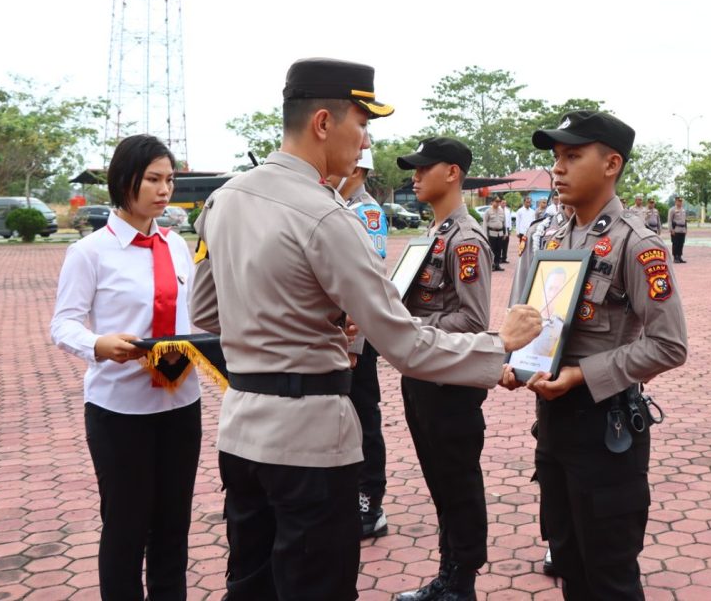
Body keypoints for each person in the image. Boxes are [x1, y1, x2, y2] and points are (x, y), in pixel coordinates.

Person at [190, 58, 541, 601]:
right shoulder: (329, 217)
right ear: (324, 123)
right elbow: (403, 343)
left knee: (251, 583)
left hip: (240, 431)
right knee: (316, 585)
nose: (365, 140)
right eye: (361, 122)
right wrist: (501, 345)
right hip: (308, 441)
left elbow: (206, 314)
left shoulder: (222, 200)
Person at [502, 110, 689, 600]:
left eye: (572, 155)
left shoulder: (636, 243)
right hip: (554, 423)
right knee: (568, 562)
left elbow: (669, 345)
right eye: (555, 157)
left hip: (608, 430)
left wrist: (581, 375)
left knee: (610, 576)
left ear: (611, 164)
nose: (558, 168)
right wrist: (513, 361)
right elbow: (524, 318)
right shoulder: (548, 237)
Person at [50, 134, 202, 601]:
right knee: (126, 528)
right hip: (120, 411)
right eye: (153, 179)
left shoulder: (177, 246)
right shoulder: (90, 252)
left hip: (180, 403)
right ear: (124, 181)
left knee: (174, 525)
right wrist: (99, 343)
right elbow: (64, 324)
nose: (163, 189)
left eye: (169, 179)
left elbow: (195, 315)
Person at [394, 136, 495, 601]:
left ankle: (463, 580)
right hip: (421, 378)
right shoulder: (432, 235)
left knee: (457, 481)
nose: (414, 176)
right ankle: (448, 573)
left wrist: (409, 326)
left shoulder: (466, 240)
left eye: (423, 168)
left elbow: (474, 321)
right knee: (439, 479)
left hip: (450, 383)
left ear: (452, 173)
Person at [326, 151, 390, 540]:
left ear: (359, 169)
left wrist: (356, 345)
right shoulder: (334, 203)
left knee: (365, 417)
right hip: (334, 336)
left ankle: (371, 501)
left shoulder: (366, 211)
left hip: (356, 338)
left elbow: (369, 283)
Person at [484, 197, 507, 271]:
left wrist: (505, 232)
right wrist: (485, 235)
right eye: (496, 201)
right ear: (492, 202)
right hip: (492, 233)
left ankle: (497, 264)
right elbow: (485, 223)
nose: (497, 203)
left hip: (500, 233)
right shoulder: (488, 211)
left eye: (499, 201)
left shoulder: (501, 211)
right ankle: (491, 264)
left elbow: (504, 222)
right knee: (492, 250)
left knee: (499, 250)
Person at [668, 196, 687, 263]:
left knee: (681, 243)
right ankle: (675, 257)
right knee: (675, 244)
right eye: (679, 201)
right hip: (676, 229)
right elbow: (670, 220)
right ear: (675, 201)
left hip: (682, 229)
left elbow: (685, 220)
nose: (680, 202)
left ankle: (679, 256)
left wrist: (686, 229)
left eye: (681, 201)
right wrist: (671, 229)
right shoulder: (672, 210)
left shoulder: (683, 210)